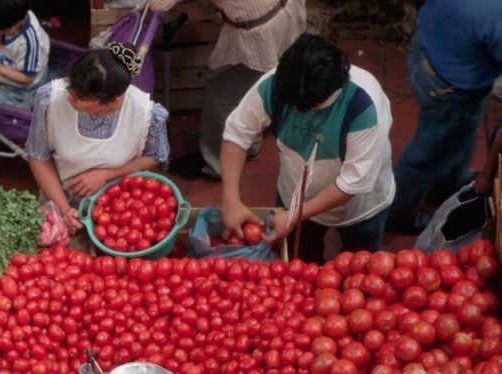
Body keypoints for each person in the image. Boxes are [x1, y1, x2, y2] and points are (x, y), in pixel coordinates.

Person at [219, 33, 394, 264]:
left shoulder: (364, 105)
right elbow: (237, 133)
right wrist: (230, 198)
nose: (296, 112)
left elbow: (353, 181)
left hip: (360, 207)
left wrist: (294, 215)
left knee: (360, 271)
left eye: (307, 107)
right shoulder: (277, 84)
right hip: (294, 192)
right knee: (302, 262)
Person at [26, 42, 170, 235]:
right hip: (59, 200)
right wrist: (65, 209)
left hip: (118, 211)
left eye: (81, 98)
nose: (70, 99)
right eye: (70, 89)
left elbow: (157, 155)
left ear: (112, 102)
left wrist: (106, 174)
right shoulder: (49, 99)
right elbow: (37, 156)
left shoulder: (147, 114)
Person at [386, 0, 502, 235]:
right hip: (450, 89)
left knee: (458, 137)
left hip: (429, 49)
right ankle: (398, 213)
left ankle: (445, 182)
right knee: (427, 154)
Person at [169, 0, 306, 180]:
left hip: (255, 30)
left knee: (223, 92)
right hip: (285, 9)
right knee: (255, 81)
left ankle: (218, 163)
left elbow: (157, 3)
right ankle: (250, 144)